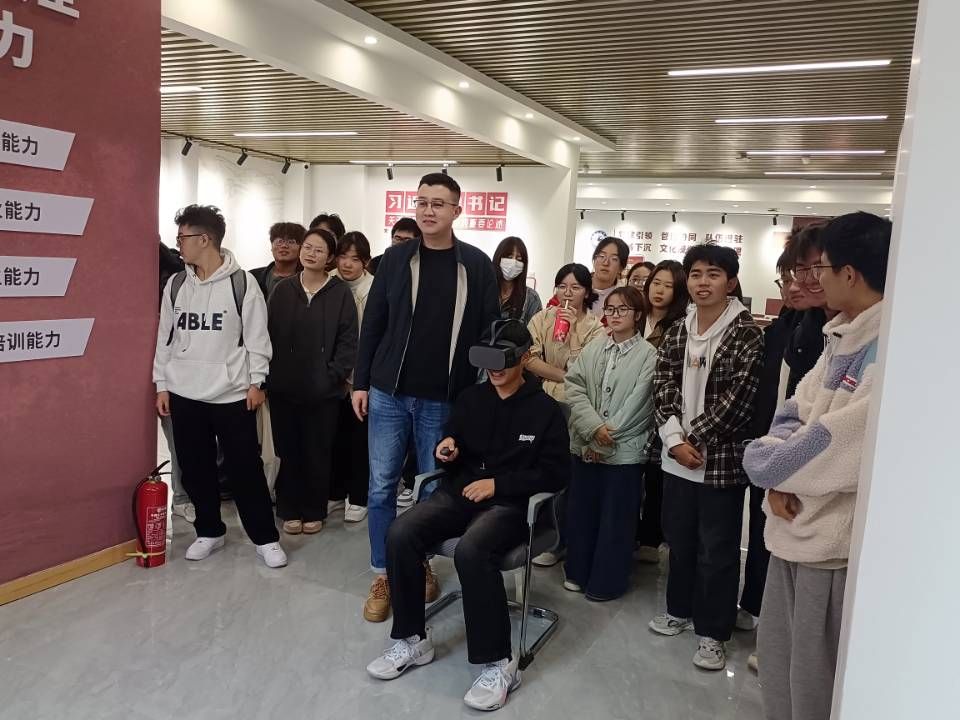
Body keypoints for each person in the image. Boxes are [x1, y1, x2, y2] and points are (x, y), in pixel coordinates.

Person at [365, 320, 570, 712]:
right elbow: (454, 440)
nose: (494, 368)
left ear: (525, 358)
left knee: (472, 550)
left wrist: (499, 485)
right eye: (487, 358)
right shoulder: (472, 398)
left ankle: (500, 662)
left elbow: (556, 474)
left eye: (503, 358)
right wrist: (448, 448)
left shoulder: (544, 411)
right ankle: (412, 640)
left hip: (512, 504)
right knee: (401, 532)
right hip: (460, 494)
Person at [744, 212, 890, 720]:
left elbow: (837, 445)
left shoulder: (886, 350)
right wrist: (776, 471)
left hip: (830, 546)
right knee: (778, 667)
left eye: (819, 267)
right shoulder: (841, 337)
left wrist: (773, 469)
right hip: (791, 527)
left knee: (813, 684)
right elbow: (791, 413)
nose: (811, 279)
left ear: (849, 273)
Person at [352, 173, 500, 623]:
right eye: (422, 202)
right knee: (381, 485)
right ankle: (383, 573)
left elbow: (489, 330)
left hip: (443, 398)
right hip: (388, 393)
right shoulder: (396, 260)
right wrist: (361, 381)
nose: (428, 210)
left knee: (433, 490)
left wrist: (481, 394)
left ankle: (419, 564)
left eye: (438, 203)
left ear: (457, 210)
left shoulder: (475, 265)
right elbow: (374, 323)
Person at [647, 244, 763, 671]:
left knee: (718, 549)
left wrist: (691, 437)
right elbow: (662, 383)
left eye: (713, 274)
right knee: (679, 541)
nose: (703, 282)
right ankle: (678, 610)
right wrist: (674, 439)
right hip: (676, 457)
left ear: (730, 282)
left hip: (721, 462)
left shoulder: (746, 332)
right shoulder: (680, 327)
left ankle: (713, 632)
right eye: (696, 274)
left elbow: (741, 399)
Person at [153, 204, 286, 568]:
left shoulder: (242, 284)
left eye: (183, 237)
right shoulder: (176, 285)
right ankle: (209, 530)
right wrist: (162, 383)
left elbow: (258, 339)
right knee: (195, 468)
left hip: (231, 394)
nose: (178, 244)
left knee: (245, 469)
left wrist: (257, 381)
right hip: (184, 392)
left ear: (204, 239)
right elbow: (165, 339)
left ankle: (265, 538)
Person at [563, 286, 657, 600]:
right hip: (585, 446)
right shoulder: (595, 346)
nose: (615, 315)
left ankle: (607, 583)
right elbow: (574, 386)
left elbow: (639, 405)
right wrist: (592, 429)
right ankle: (577, 572)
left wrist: (603, 440)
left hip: (623, 453)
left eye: (623, 309)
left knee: (615, 521)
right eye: (611, 309)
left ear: (638, 315)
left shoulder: (649, 355)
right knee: (582, 515)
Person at [266, 228, 358, 535]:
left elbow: (348, 341)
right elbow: (268, 334)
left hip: (324, 392)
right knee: (288, 451)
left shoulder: (340, 293)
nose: (311, 253)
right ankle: (289, 508)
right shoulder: (283, 290)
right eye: (308, 247)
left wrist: (331, 376)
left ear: (329, 258)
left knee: (318, 451)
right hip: (284, 389)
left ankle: (314, 509)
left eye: (319, 250)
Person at [738, 243, 801, 641]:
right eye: (786, 278)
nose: (793, 286)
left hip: (798, 454)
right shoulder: (782, 325)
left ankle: (774, 622)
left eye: (802, 275)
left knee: (785, 536)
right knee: (761, 528)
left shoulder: (824, 330)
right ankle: (753, 603)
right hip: (764, 445)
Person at [634, 260, 689, 563]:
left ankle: (650, 539)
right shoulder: (635, 316)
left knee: (655, 476)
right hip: (628, 404)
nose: (660, 290)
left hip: (660, 407)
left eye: (668, 286)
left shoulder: (679, 327)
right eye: (656, 283)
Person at [330, 231, 374, 523]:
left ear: (365, 262)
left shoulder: (375, 288)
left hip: (362, 375)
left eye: (355, 259)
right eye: (343, 257)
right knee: (333, 437)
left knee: (360, 440)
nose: (347, 264)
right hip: (332, 374)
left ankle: (358, 497)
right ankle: (334, 492)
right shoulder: (329, 283)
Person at [525, 263, 605, 403]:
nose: (567, 293)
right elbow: (529, 359)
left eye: (575, 288)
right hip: (540, 393)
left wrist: (573, 334)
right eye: (562, 287)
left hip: (576, 399)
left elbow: (587, 372)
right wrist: (565, 376)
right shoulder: (542, 318)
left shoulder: (596, 328)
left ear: (586, 292)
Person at [785, 224, 835, 397]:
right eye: (801, 269)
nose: (811, 278)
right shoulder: (805, 325)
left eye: (819, 266)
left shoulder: (864, 327)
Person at [493, 236, 542, 325]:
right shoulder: (485, 291)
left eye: (519, 259)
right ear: (498, 258)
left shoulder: (531, 298)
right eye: (509, 257)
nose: (514, 262)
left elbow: (536, 330)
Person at [251, 222, 306, 300]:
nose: (284, 246)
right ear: (271, 246)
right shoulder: (253, 277)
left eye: (291, 242)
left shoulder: (308, 279)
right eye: (280, 241)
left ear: (301, 248)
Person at [590, 237, 630, 316]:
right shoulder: (579, 285)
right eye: (602, 256)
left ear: (621, 267)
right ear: (594, 260)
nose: (606, 263)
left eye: (614, 259)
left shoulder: (625, 297)